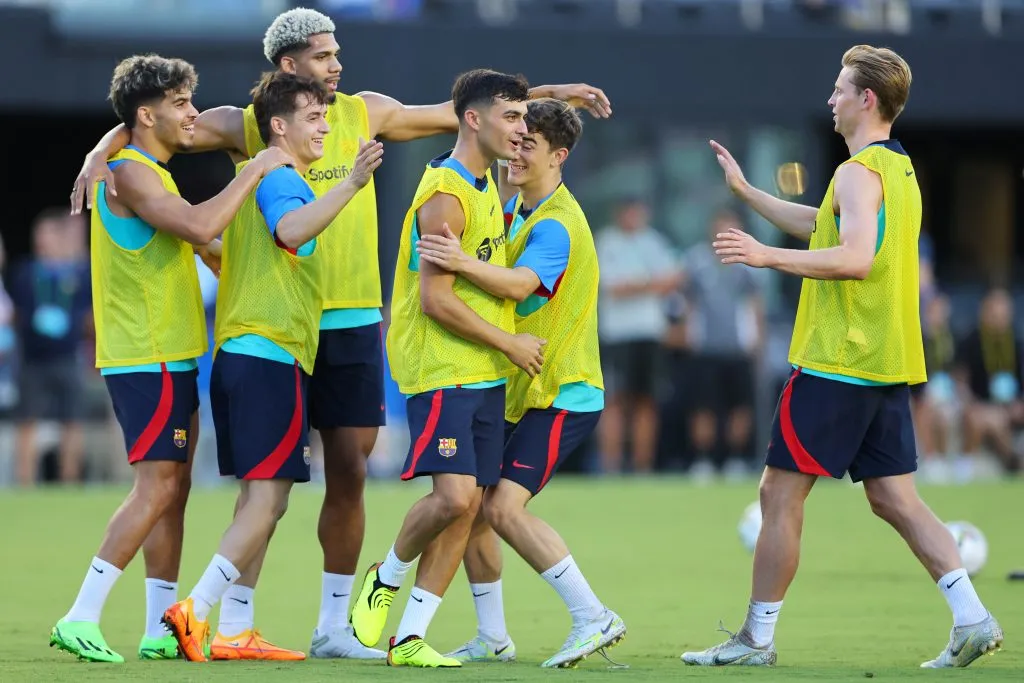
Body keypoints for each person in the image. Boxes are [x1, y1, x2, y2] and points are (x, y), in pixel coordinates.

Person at [70, 7, 610, 660]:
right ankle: (234, 618)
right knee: (264, 484)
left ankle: (333, 626)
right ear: (289, 65)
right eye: (325, 56)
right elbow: (157, 127)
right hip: (278, 326)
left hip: (350, 320)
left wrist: (550, 95)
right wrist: (100, 153)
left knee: (349, 470)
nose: (337, 65)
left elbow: (465, 111)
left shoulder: (366, 111)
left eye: (337, 53)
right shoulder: (249, 123)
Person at [680, 45, 1003, 669]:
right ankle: (972, 618)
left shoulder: (856, 172)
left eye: (839, 89)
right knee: (895, 499)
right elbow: (827, 226)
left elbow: (853, 258)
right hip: (884, 360)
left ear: (866, 99)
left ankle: (755, 639)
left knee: (778, 493)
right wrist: (748, 193)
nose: (830, 99)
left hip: (838, 361)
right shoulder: (897, 169)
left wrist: (766, 257)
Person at [49, 54, 292, 664]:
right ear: (146, 115)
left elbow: (203, 242)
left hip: (172, 354)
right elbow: (201, 226)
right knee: (157, 486)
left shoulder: (143, 167)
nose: (193, 113)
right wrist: (256, 168)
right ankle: (81, 615)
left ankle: (159, 626)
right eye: (181, 103)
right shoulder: (130, 175)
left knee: (174, 489)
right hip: (146, 355)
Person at [160, 71, 382, 663]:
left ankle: (234, 629)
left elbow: (230, 248)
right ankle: (195, 608)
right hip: (268, 355)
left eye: (326, 116)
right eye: (314, 117)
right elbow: (290, 231)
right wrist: (353, 183)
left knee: (260, 497)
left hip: (244, 354)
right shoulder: (280, 175)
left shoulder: (261, 175)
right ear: (278, 126)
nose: (325, 127)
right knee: (268, 502)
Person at [414, 98, 625, 669]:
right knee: (475, 509)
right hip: (523, 390)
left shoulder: (555, 222)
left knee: (503, 508)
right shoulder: (515, 210)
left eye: (530, 144)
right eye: (515, 138)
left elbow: (518, 285)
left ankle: (593, 615)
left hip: (562, 392)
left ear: (559, 156)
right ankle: (492, 636)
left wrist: (459, 261)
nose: (516, 151)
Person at [349, 68, 547, 668]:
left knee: (471, 505)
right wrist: (510, 343)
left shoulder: (487, 183)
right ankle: (386, 574)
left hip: (482, 369)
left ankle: (410, 637)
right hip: (442, 367)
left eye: (524, 117)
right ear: (473, 120)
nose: (521, 129)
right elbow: (434, 300)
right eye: (510, 117)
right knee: (454, 498)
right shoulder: (446, 195)